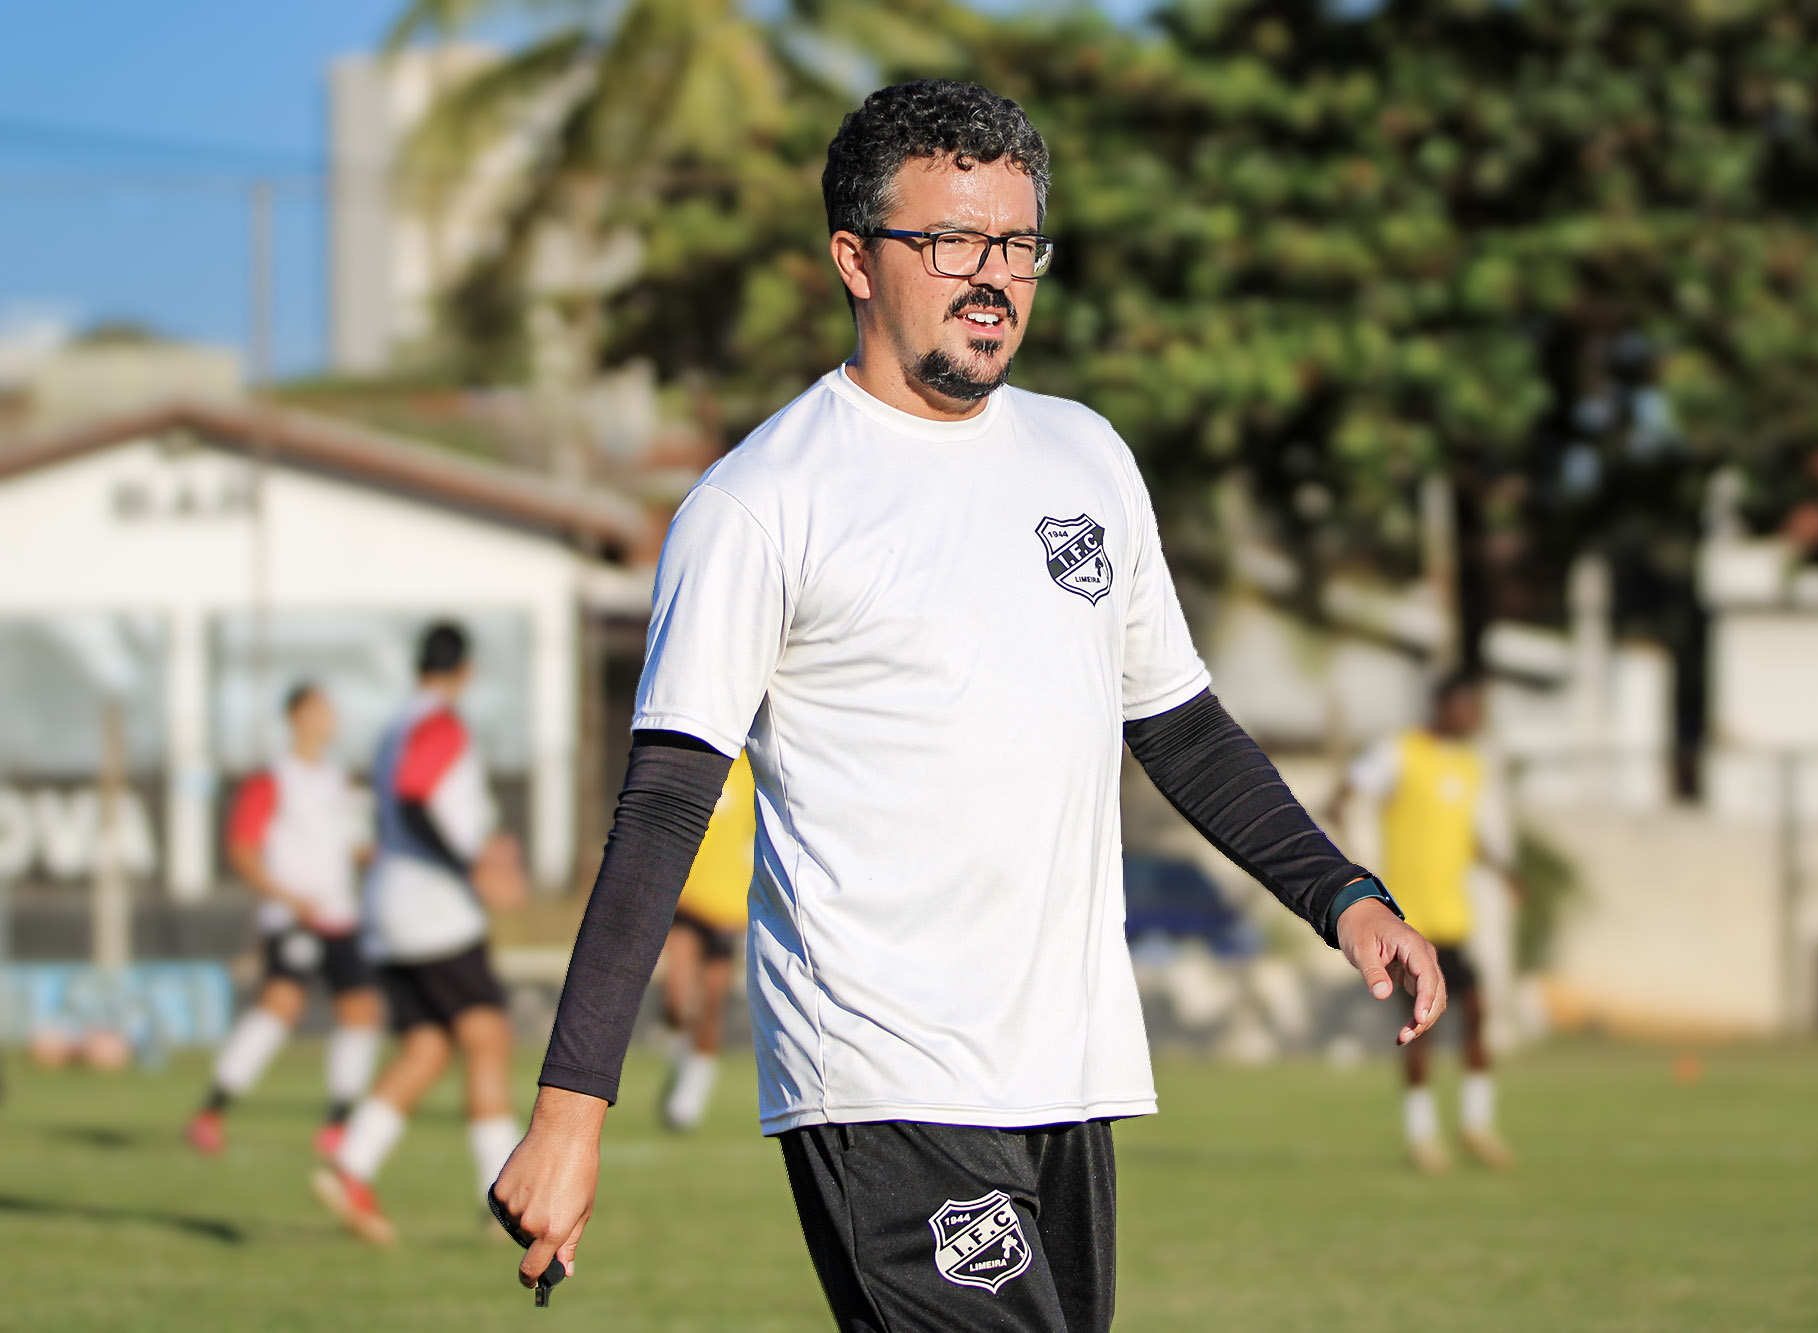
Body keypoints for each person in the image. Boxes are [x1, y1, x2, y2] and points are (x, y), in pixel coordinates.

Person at [493, 80, 1443, 1331]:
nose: (991, 276)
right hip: (883, 1076)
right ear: (855, 260)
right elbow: (665, 808)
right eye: (950, 242)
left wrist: (1341, 893)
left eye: (1016, 243)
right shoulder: (759, 503)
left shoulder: (1085, 456)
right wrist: (570, 1112)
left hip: (1066, 1071)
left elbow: (1176, 726)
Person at [312, 622, 528, 1245]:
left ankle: (351, 1168)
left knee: (428, 1047)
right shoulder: (441, 723)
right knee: (487, 1039)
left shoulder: (395, 726)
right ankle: (503, 1199)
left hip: (388, 908)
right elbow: (413, 799)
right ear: (465, 670)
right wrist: (469, 868)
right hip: (434, 911)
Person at [1337, 670, 1519, 1174]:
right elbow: (1343, 795)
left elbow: (1463, 832)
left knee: (1477, 1014)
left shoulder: (1468, 764)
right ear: (1443, 706)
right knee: (1421, 1028)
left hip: (1453, 919)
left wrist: (1503, 872)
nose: (1475, 717)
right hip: (1410, 923)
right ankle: (1422, 1135)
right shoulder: (1400, 754)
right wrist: (1349, 862)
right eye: (1468, 707)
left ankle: (1477, 1125)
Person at [186, 682, 379, 1159]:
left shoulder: (339, 780)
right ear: (296, 717)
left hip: (340, 915)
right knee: (281, 1006)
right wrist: (288, 898)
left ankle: (338, 1122)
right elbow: (242, 850)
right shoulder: (271, 778)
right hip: (293, 916)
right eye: (320, 709)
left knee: (361, 1012)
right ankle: (211, 1112)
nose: (330, 717)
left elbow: (355, 847)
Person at [655, 750, 755, 1131]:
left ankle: (690, 1097)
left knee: (712, 1001)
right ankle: (683, 1056)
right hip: (690, 897)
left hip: (727, 906)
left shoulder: (752, 773)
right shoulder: (697, 762)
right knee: (677, 996)